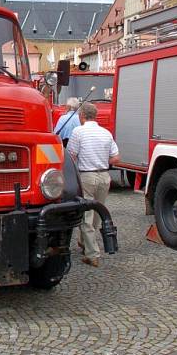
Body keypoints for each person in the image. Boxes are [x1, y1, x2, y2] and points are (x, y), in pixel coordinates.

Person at [66, 101, 120, 268]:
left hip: (87, 177)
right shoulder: (106, 133)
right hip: (104, 176)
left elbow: (71, 156)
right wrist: (102, 161)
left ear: (82, 116)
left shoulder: (78, 132)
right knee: (98, 213)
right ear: (95, 116)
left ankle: (92, 254)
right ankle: (84, 242)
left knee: (86, 217)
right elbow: (115, 158)